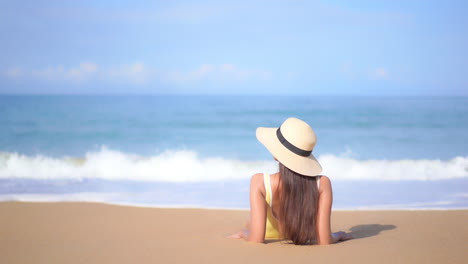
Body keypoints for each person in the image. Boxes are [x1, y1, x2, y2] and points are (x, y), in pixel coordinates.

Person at [228, 117, 352, 245]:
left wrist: (244, 233)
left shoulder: (260, 182)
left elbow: (256, 239)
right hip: (307, 235)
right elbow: (325, 240)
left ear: (277, 155)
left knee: (249, 222)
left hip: (270, 235)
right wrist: (338, 235)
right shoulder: (323, 183)